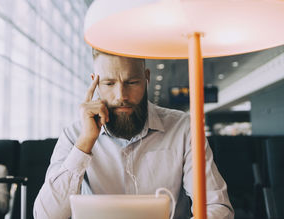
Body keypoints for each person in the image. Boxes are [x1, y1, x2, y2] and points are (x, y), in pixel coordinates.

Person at [34, 49, 234, 219]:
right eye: (109, 83)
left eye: (132, 82)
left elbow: (217, 207)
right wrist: (85, 143)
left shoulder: (182, 128)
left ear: (147, 78)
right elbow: (45, 215)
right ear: (94, 83)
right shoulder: (75, 134)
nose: (121, 95)